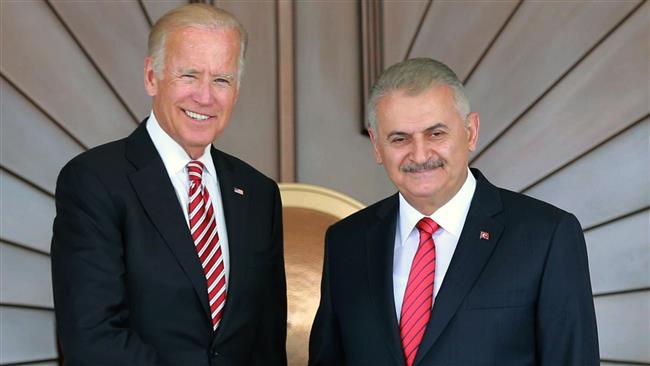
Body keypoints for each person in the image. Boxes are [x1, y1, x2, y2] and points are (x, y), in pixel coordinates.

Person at [308, 58, 599, 366]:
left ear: (470, 131)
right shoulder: (346, 242)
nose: (419, 154)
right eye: (400, 138)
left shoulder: (546, 235)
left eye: (436, 134)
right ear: (378, 147)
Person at [51, 4, 286, 366]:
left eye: (221, 79)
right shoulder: (93, 181)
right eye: (189, 75)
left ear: (236, 90)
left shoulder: (258, 193)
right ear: (151, 76)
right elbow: (92, 338)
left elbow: (266, 342)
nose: (205, 97)